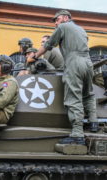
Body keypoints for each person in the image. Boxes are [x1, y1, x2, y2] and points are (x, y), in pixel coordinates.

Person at [27, 10, 99, 145]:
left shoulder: (63, 27)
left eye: (57, 19)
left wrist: (34, 56)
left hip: (74, 62)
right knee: (88, 93)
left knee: (73, 96)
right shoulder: (81, 29)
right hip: (88, 63)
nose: (56, 23)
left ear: (66, 18)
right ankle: (93, 122)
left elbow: (48, 45)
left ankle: (77, 133)